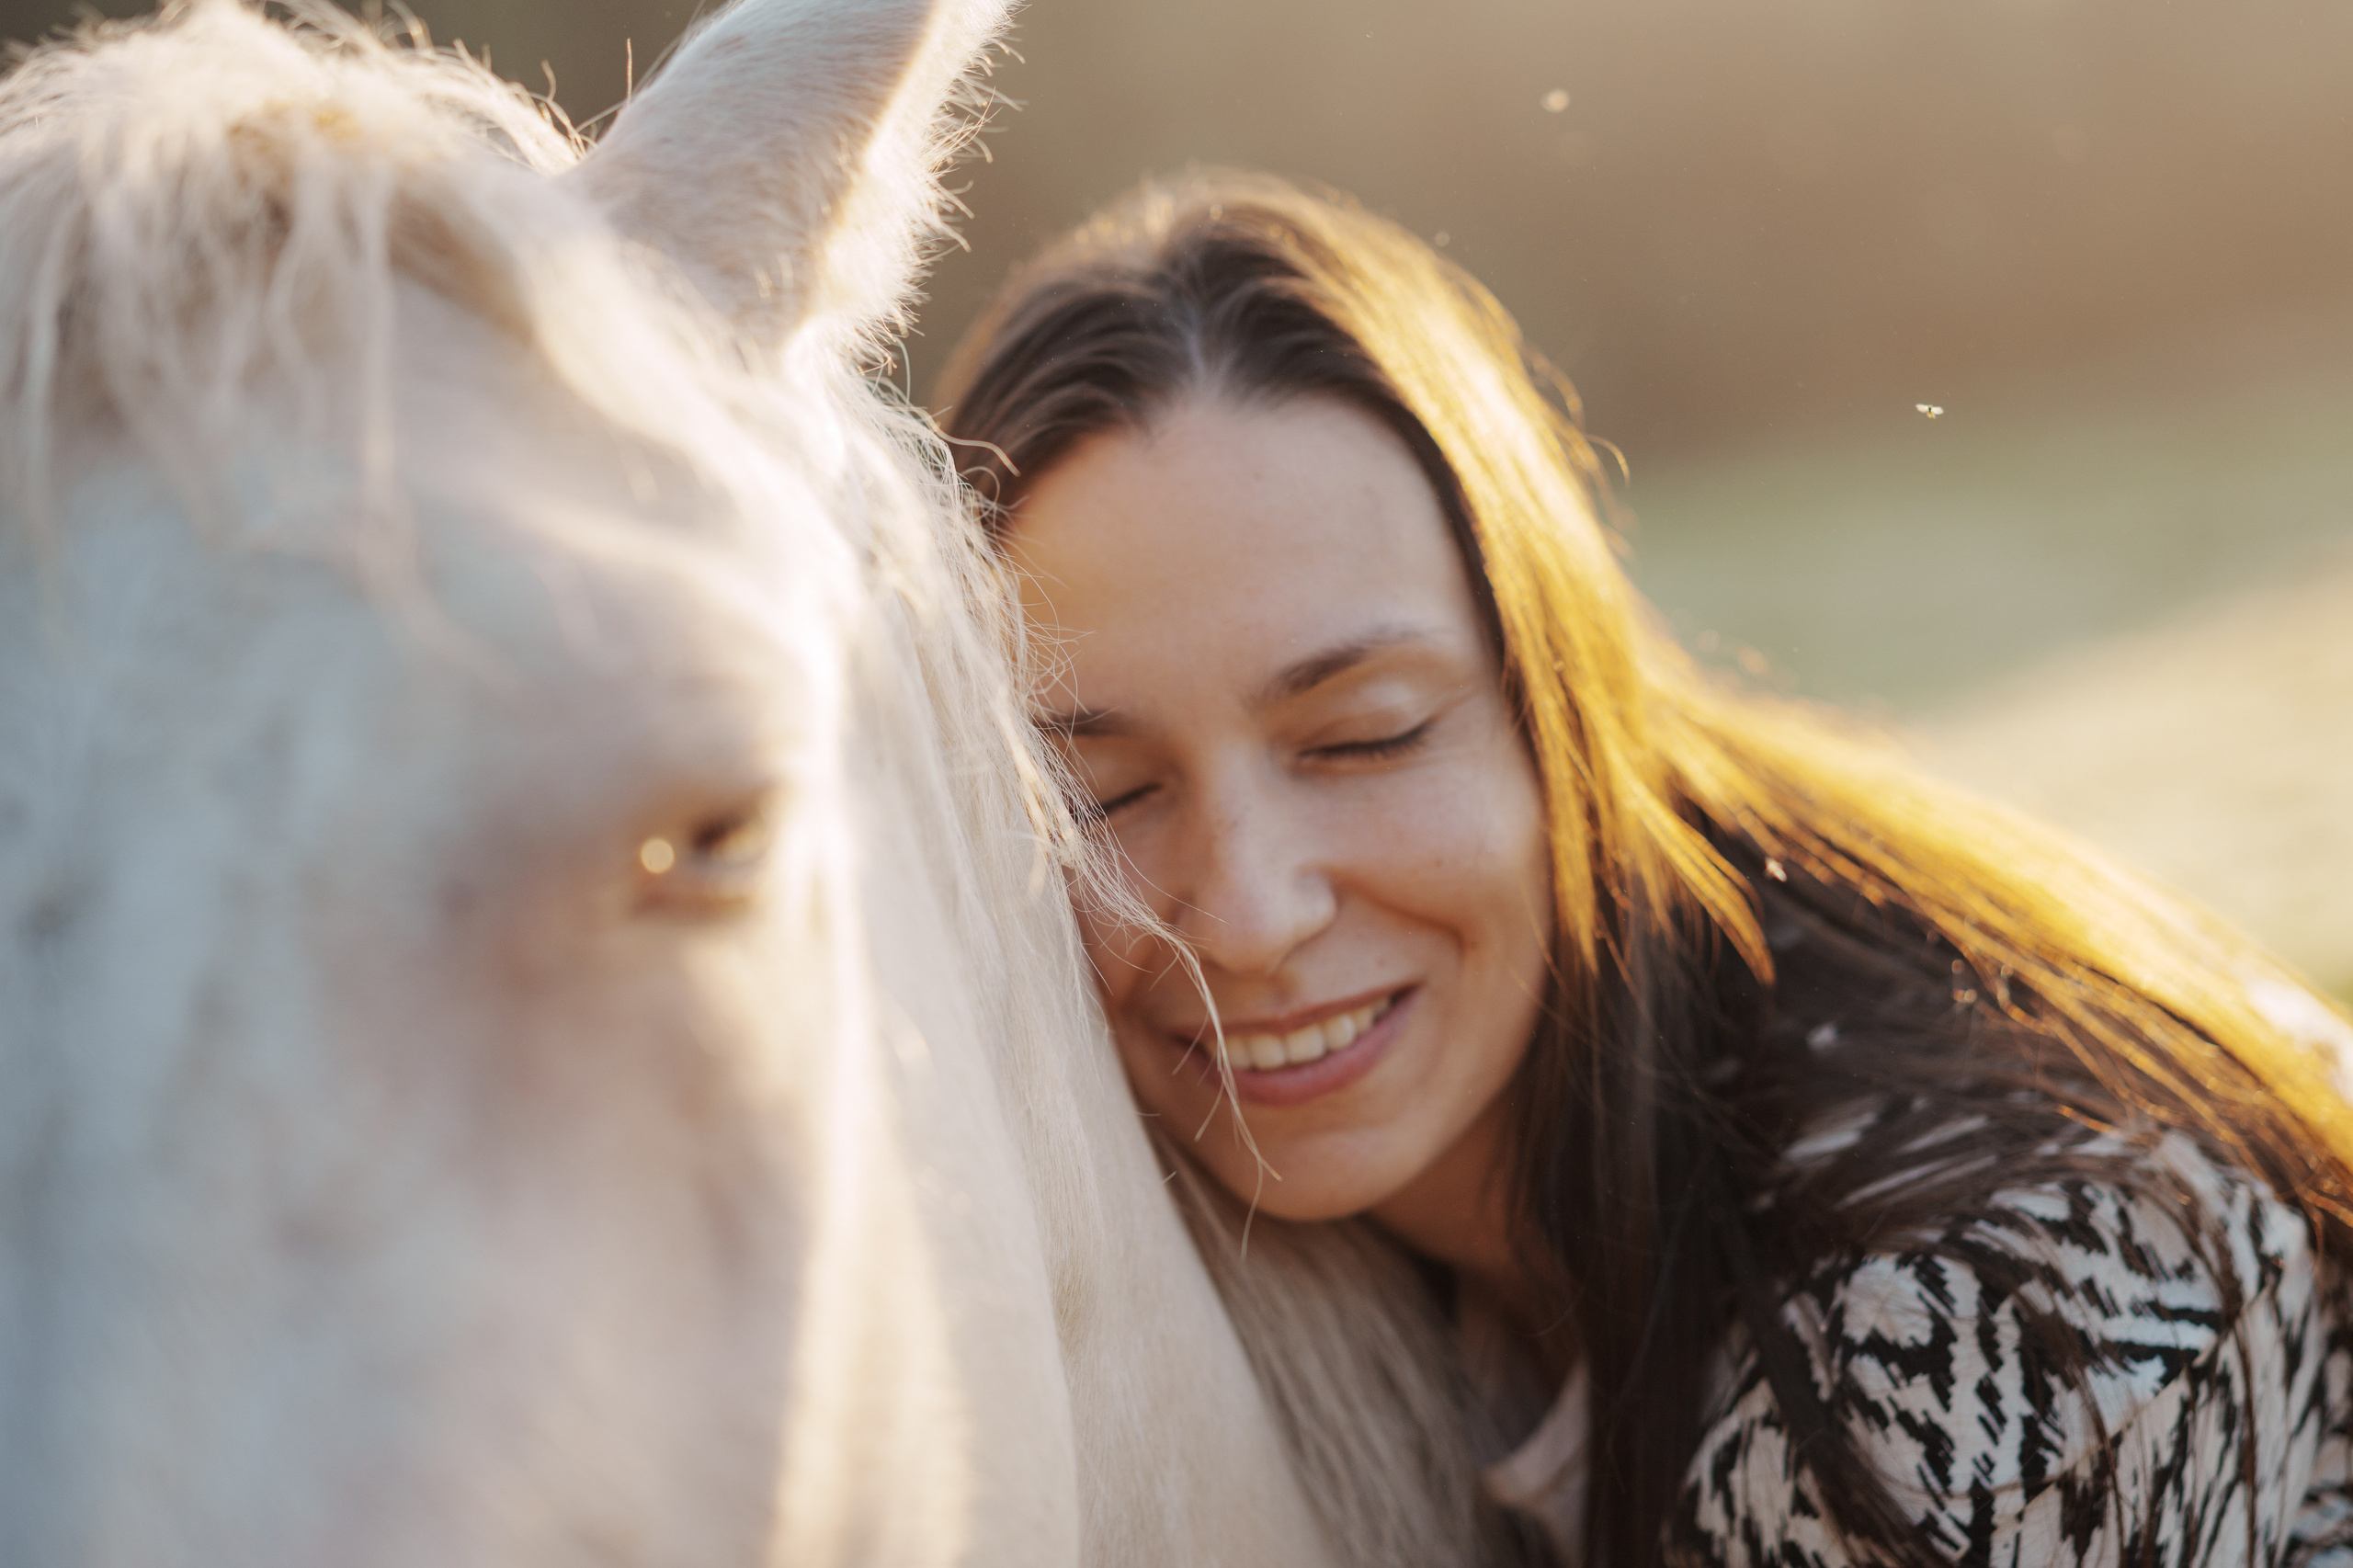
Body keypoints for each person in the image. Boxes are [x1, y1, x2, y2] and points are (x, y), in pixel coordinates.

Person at [932, 170, 2353, 1568]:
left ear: (1562, 705)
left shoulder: (1977, 1344)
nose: (1247, 913)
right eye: (1098, 789)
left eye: (1362, 738)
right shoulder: (1207, 1288)